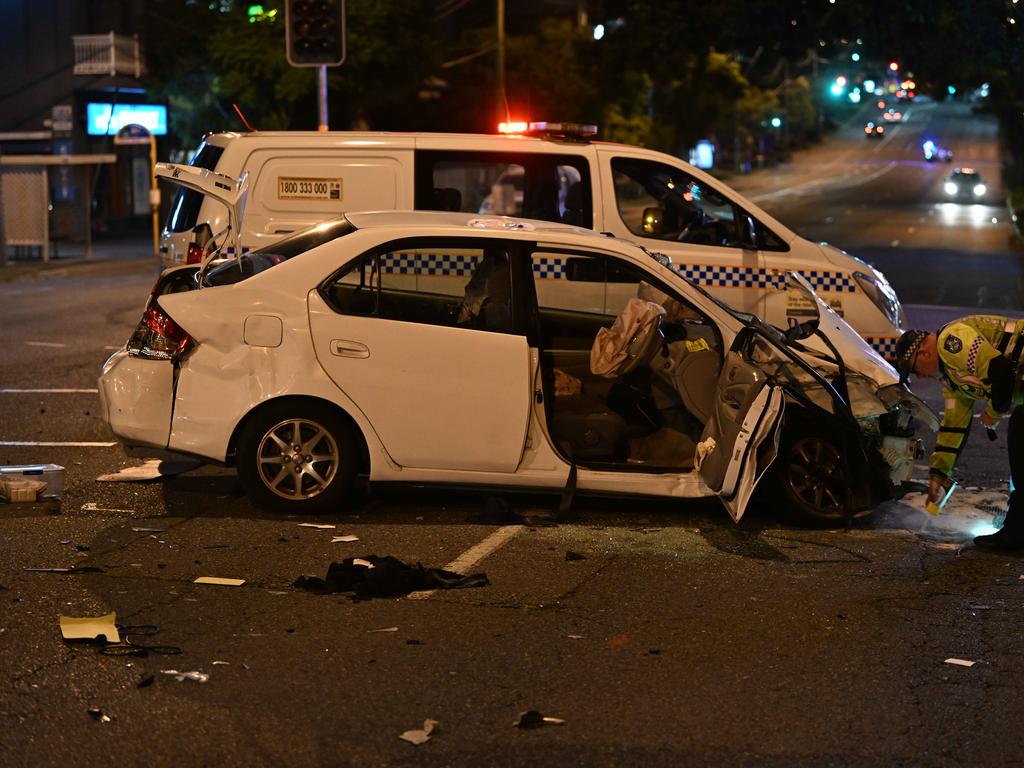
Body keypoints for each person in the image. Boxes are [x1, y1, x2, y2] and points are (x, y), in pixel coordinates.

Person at [895, 316, 1024, 550]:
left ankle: (1016, 533)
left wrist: (993, 413)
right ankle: (1017, 531)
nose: (920, 377)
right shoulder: (952, 378)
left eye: (915, 370)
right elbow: (954, 426)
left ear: (923, 352)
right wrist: (939, 474)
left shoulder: (950, 341)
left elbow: (1002, 371)